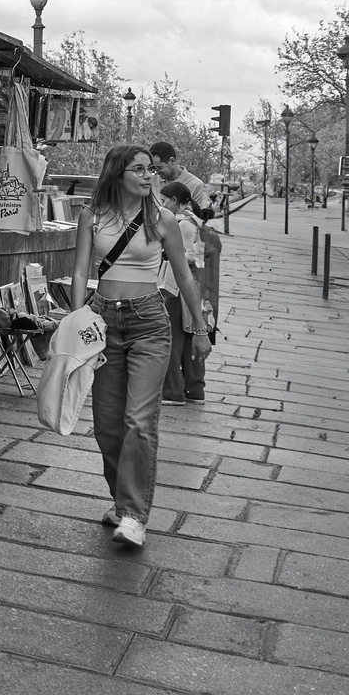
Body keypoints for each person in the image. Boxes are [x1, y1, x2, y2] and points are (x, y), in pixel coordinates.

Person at [71, 145, 208, 548]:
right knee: (107, 427)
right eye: (139, 169)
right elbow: (79, 271)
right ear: (118, 173)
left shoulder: (162, 218)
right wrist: (76, 320)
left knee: (139, 422)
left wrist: (200, 329)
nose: (149, 176)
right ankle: (121, 500)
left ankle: (133, 515)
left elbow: (184, 277)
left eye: (151, 169)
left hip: (149, 322)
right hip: (102, 321)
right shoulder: (91, 217)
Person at [158, 181, 212, 406]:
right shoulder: (196, 223)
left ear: (175, 201)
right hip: (196, 287)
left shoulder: (183, 225)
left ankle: (173, 391)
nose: (161, 205)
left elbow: (191, 257)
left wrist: (166, 253)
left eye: (163, 201)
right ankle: (194, 389)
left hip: (176, 288)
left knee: (172, 340)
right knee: (191, 336)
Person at [148, 142, 210, 208]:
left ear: (172, 161)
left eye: (159, 168)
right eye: (153, 168)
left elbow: (199, 216)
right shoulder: (152, 180)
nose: (156, 172)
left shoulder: (196, 185)